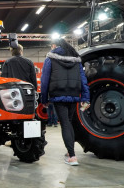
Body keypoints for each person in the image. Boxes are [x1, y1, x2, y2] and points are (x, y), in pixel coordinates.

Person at [41, 38, 90, 166]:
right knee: (68, 122)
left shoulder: (50, 58)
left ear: (54, 45)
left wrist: (44, 99)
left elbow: (45, 80)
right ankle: (70, 153)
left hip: (58, 95)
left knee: (65, 124)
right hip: (74, 95)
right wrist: (85, 97)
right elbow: (83, 80)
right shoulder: (76, 59)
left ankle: (72, 156)